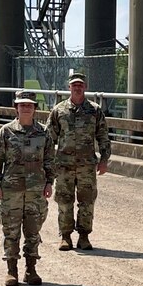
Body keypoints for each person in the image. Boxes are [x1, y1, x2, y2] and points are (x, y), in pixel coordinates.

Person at [0, 90, 55, 286]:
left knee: (33, 230)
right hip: (11, 189)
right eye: (22, 105)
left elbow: (50, 160)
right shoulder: (6, 132)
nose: (26, 108)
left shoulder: (44, 133)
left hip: (36, 190)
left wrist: (49, 182)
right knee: (11, 230)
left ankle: (31, 269)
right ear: (16, 108)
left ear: (35, 108)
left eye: (29, 105)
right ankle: (12, 270)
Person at [47, 71, 110, 251]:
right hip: (64, 165)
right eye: (74, 84)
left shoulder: (95, 110)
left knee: (87, 202)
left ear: (85, 87)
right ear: (69, 87)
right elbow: (49, 139)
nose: (77, 87)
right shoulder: (59, 110)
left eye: (80, 84)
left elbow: (103, 137)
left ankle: (84, 236)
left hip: (87, 166)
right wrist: (47, 163)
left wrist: (104, 159)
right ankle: (65, 236)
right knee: (64, 201)